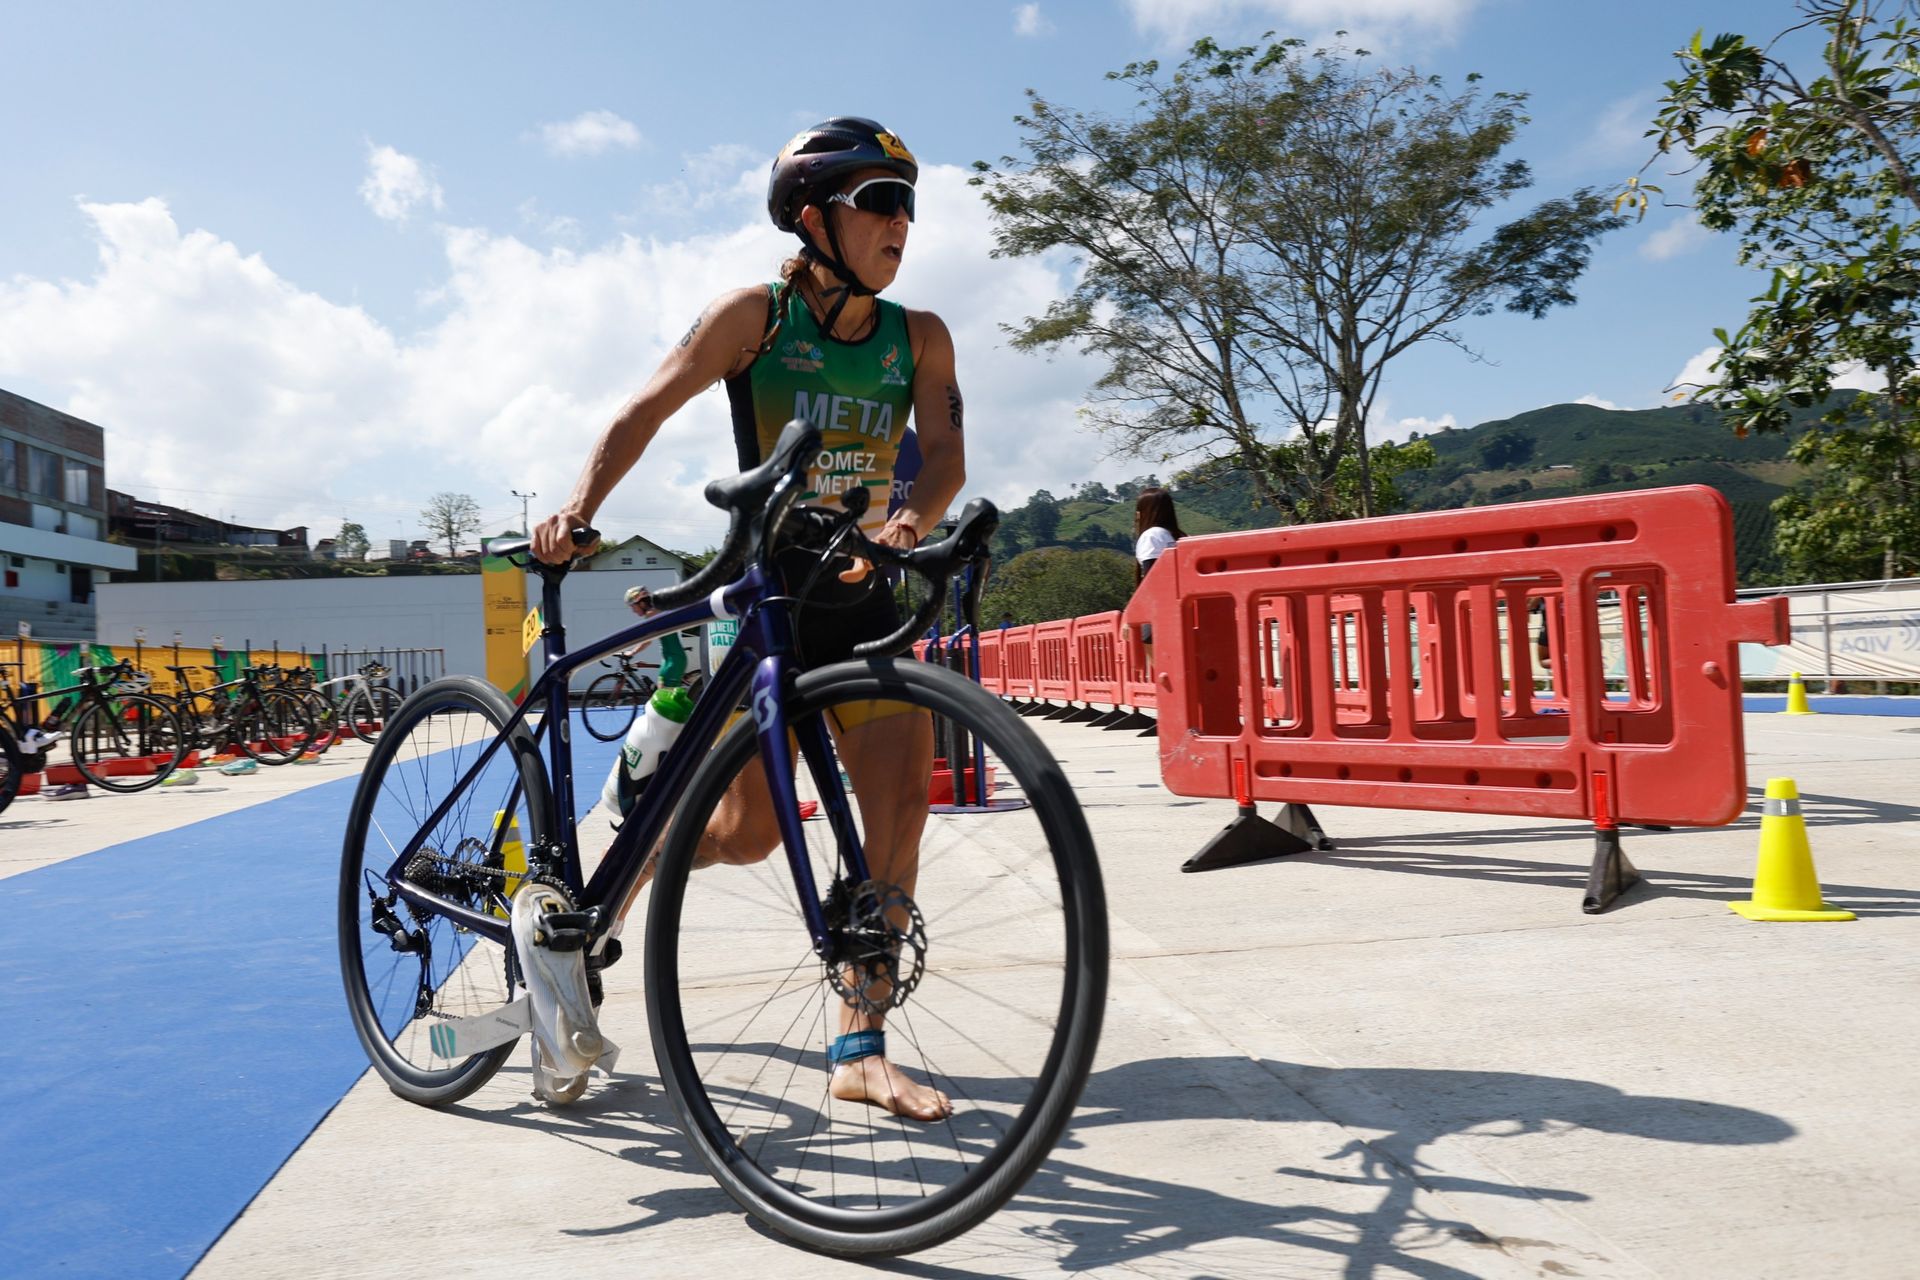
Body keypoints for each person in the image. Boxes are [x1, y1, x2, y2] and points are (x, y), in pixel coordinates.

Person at [533, 117, 964, 1120]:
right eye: (878, 203)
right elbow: (644, 407)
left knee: (902, 802)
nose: (901, 221)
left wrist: (908, 521)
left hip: (860, 590)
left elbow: (943, 458)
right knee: (743, 833)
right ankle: (638, 833)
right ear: (814, 218)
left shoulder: (921, 338)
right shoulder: (755, 317)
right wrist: (577, 512)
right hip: (769, 595)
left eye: (909, 203)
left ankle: (861, 1039)